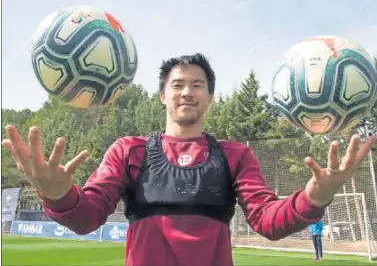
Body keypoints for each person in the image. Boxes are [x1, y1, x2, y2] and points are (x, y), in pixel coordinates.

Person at [2, 53, 376, 266]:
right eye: (177, 85)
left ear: (210, 97)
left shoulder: (234, 155)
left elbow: (267, 221)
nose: (187, 92)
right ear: (162, 96)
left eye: (198, 85)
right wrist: (56, 193)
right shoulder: (128, 150)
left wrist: (315, 195)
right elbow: (88, 217)